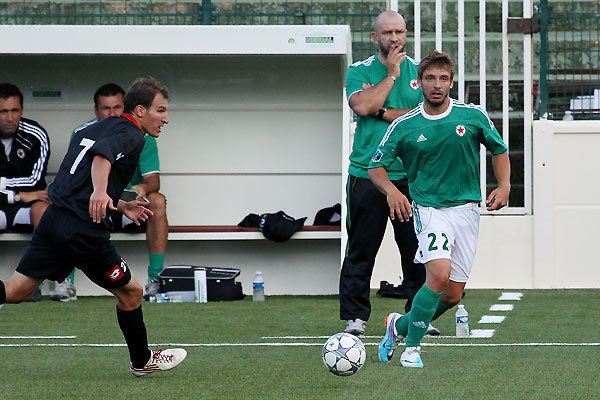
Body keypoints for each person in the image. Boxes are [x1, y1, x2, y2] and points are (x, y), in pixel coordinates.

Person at [0, 77, 187, 376]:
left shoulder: (92, 127)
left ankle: (142, 360)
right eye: (160, 110)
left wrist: (120, 203)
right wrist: (100, 192)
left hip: (53, 219)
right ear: (139, 110)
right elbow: (102, 158)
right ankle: (142, 361)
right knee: (132, 293)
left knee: (16, 290)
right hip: (83, 230)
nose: (166, 118)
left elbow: (85, 169)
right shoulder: (132, 135)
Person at [369, 51, 510, 367]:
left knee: (451, 295)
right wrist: (392, 191)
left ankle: (399, 326)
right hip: (429, 209)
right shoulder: (405, 125)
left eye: (443, 78)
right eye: (430, 78)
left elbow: (499, 149)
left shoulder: (472, 116)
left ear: (451, 82)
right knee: (438, 275)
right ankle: (412, 349)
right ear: (419, 82)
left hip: (467, 212)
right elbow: (375, 167)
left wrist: (504, 186)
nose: (436, 85)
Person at [339, 10, 438, 336]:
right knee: (361, 249)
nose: (394, 38)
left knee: (416, 250)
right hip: (366, 174)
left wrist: (382, 110)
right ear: (375, 37)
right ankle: (356, 317)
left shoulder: (421, 72)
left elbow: (423, 113)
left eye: (399, 32)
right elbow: (362, 106)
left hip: (409, 177)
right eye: (387, 33)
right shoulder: (359, 70)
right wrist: (391, 77)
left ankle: (417, 317)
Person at [51, 83, 169, 302]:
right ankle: (65, 282)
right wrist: (100, 191)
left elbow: (152, 180)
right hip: (89, 200)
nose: (112, 113)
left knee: (158, 201)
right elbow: (90, 164)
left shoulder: (141, 135)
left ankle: (155, 279)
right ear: (96, 110)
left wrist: (138, 190)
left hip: (124, 198)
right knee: (20, 286)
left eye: (117, 107)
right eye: (106, 108)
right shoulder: (83, 132)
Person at [0, 83, 51, 232]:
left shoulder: (35, 135)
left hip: (28, 206)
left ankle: (42, 256)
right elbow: (27, 189)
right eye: (3, 112)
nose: (10, 118)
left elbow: (35, 182)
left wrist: (1, 184)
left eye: (15, 111)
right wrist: (18, 195)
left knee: (44, 210)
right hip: (16, 199)